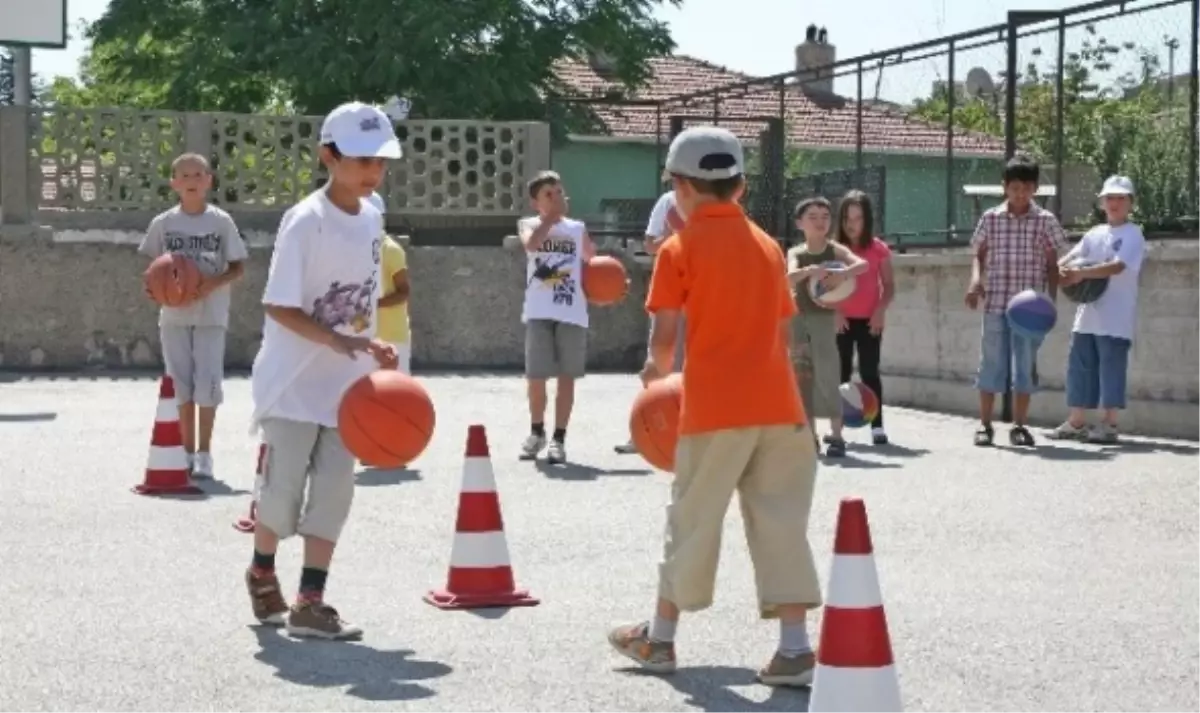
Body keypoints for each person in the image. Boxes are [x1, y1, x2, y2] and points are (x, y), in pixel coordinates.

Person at [607, 126, 824, 688]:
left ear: (679, 187)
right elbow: (782, 334)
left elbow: (662, 339)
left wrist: (655, 376)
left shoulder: (678, 249)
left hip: (714, 407)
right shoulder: (770, 246)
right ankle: (795, 649)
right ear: (742, 187)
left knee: (693, 520)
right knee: (781, 523)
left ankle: (659, 639)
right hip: (780, 406)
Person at [244, 101, 400, 639]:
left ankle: (312, 601)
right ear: (328, 156)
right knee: (282, 495)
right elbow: (278, 305)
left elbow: (360, 300)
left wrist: (369, 343)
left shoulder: (375, 215)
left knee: (334, 492)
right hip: (291, 384)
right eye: (362, 160)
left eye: (381, 161)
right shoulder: (305, 221)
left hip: (345, 388)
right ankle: (262, 570)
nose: (373, 171)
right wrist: (333, 339)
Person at [138, 153, 248, 480]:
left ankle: (204, 454)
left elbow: (239, 266)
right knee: (181, 386)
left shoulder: (221, 221)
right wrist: (154, 289)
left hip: (211, 313)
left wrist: (211, 283)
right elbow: (153, 269)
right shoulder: (163, 223)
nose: (191, 180)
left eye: (198, 174)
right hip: (173, 315)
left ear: (209, 180)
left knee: (207, 385)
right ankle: (185, 452)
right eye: (184, 175)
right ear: (173, 183)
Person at [966, 154, 1068, 447]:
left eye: (1026, 187)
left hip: (1030, 311)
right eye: (1014, 187)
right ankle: (985, 425)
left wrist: (1050, 302)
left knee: (1025, 366)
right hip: (996, 304)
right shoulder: (991, 218)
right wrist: (975, 281)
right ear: (1004, 187)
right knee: (991, 365)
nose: (1020, 193)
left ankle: (1020, 426)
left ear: (1034, 188)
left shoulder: (1045, 221)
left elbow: (1052, 265)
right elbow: (979, 254)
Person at [1049, 176, 1145, 444]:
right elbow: (1069, 258)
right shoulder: (1094, 233)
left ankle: (1110, 423)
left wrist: (1080, 273)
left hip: (1116, 317)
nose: (1114, 203)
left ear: (1130, 204)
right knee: (1079, 367)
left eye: (1120, 198)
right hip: (1087, 314)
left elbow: (1117, 267)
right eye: (1110, 198)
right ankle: (1077, 421)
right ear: (1102, 202)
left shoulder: (1133, 234)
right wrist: (1060, 269)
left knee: (1110, 369)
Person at [518, 171, 596, 465]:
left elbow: (591, 259)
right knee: (536, 377)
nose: (556, 197)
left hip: (571, 311)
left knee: (567, 377)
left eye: (559, 191)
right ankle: (536, 431)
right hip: (539, 311)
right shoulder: (530, 224)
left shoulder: (577, 228)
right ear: (536, 202)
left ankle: (558, 438)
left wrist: (606, 280)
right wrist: (550, 219)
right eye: (548, 194)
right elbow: (531, 246)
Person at [787, 197, 867, 458]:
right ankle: (810, 436)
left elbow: (862, 264)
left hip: (823, 320)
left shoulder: (835, 250)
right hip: (798, 320)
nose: (820, 221)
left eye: (825, 216)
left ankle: (836, 434)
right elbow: (787, 276)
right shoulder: (796, 253)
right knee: (802, 376)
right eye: (813, 217)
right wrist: (811, 270)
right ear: (800, 223)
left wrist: (844, 273)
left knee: (829, 374)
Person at [614, 186, 685, 454]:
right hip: (672, 290)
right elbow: (650, 243)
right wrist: (673, 236)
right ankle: (646, 430)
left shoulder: (718, 205)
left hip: (705, 293)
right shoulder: (668, 202)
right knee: (658, 364)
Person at [833, 190, 894, 445]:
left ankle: (877, 426)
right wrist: (835, 312)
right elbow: (822, 287)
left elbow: (889, 285)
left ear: (867, 219)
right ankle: (837, 429)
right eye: (847, 217)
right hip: (842, 321)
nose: (851, 223)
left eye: (857, 218)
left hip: (870, 321)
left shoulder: (878, 249)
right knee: (841, 373)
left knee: (870, 372)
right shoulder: (834, 250)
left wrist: (880, 311)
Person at [371, 193, 412, 375]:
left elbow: (403, 292)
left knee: (396, 397)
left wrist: (373, 304)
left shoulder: (391, 250)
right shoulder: (353, 249)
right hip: (364, 336)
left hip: (392, 337)